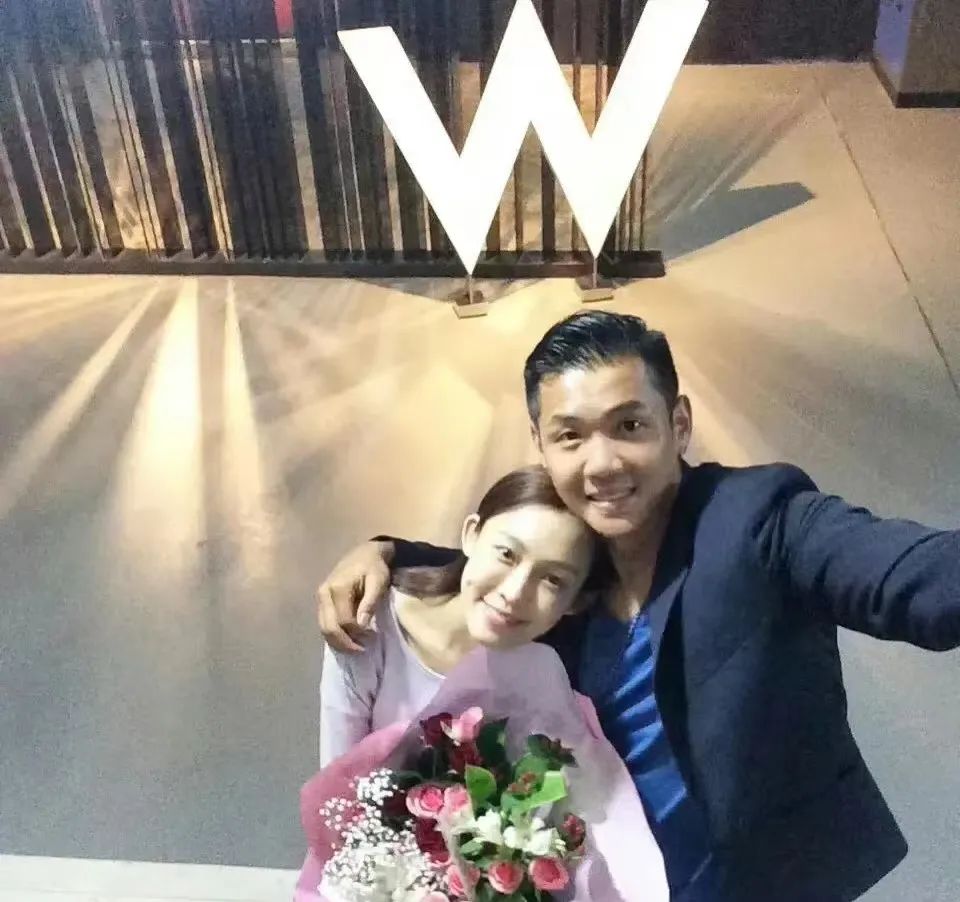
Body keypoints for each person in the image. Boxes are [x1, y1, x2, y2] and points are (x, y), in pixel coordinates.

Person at [316, 310, 960, 902]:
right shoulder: (572, 567)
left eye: (629, 426)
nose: (602, 464)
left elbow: (915, 578)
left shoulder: (757, 519)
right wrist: (385, 550)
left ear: (678, 424)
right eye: (570, 436)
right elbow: (498, 564)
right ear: (540, 443)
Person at [320, 463, 606, 765]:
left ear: (577, 601)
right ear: (471, 534)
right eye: (507, 554)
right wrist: (380, 549)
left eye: (553, 580)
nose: (514, 593)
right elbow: (336, 773)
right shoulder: (371, 624)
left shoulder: (545, 674)